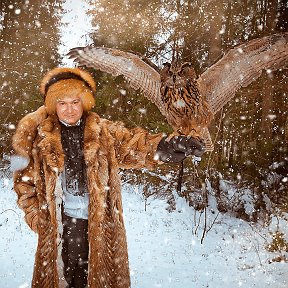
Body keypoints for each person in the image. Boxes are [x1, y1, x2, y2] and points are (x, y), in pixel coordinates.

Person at [12, 67, 204, 288]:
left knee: (96, 281)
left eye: (75, 102)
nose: (70, 109)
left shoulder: (102, 132)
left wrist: (167, 146)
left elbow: (135, 145)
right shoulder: (41, 138)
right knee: (61, 279)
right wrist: (38, 218)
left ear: (84, 102)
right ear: (54, 106)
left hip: (100, 225)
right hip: (61, 226)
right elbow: (24, 183)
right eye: (62, 103)